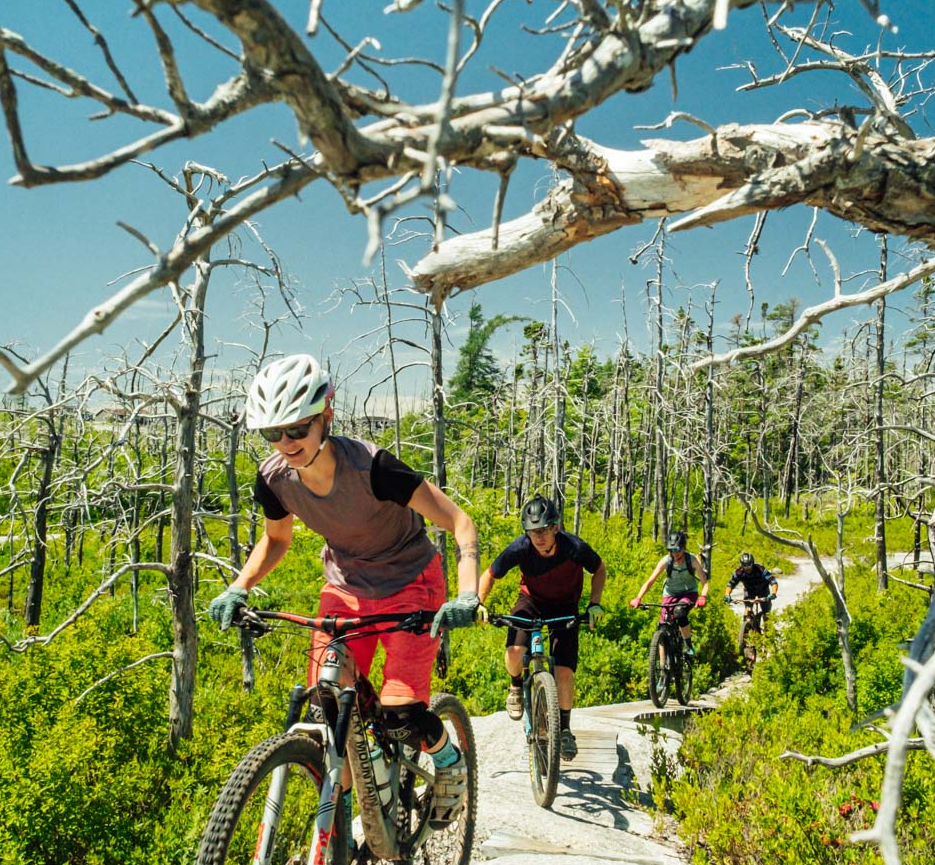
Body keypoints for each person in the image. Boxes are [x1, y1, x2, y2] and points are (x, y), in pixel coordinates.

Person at [206, 354, 481, 826]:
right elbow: (276, 540)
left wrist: (469, 592)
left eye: (297, 429)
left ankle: (450, 761)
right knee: (327, 705)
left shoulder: (373, 468)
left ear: (326, 418)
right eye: (273, 433)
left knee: (399, 715)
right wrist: (239, 586)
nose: (285, 443)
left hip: (410, 583)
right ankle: (343, 831)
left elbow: (459, 521)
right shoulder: (274, 478)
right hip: (346, 587)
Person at [477, 495, 607, 761]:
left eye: (544, 530)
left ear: (555, 527)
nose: (538, 537)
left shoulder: (574, 547)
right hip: (531, 602)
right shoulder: (520, 548)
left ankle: (565, 729)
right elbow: (490, 574)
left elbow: (599, 569)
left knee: (564, 671)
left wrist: (594, 604)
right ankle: (515, 687)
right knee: (514, 651)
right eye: (532, 531)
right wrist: (478, 603)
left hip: (565, 606)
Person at [629, 530, 706, 657]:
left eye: (677, 550)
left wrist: (703, 596)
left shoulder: (691, 560)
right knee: (662, 628)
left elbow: (704, 581)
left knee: (679, 612)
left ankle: (688, 645)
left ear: (683, 547)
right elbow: (650, 581)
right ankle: (664, 667)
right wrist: (638, 597)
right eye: (672, 550)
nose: (674, 553)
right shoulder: (666, 560)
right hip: (670, 594)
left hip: (688, 593)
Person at [726, 551, 779, 635]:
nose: (747, 568)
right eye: (744, 565)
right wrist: (727, 594)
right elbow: (730, 584)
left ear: (753, 563)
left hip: (763, 590)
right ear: (741, 564)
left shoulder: (760, 569)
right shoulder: (739, 572)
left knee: (766, 613)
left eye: (749, 565)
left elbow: (773, 581)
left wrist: (773, 593)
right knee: (747, 610)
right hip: (749, 591)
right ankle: (745, 634)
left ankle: (768, 635)